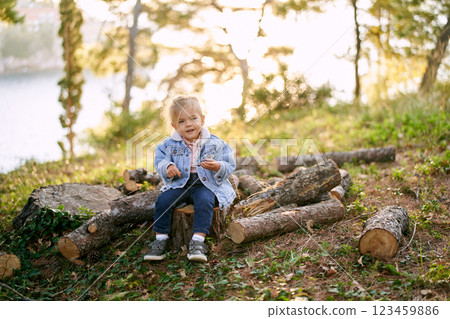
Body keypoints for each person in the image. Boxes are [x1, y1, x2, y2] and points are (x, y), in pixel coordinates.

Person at [144, 96, 236, 262]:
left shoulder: (216, 143)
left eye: (193, 118)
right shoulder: (169, 145)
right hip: (180, 183)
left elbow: (229, 163)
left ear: (202, 119)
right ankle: (160, 240)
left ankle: (198, 242)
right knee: (163, 201)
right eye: (181, 121)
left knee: (204, 201)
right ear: (174, 126)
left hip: (205, 184)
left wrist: (217, 166)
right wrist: (168, 167)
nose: (188, 124)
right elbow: (160, 160)